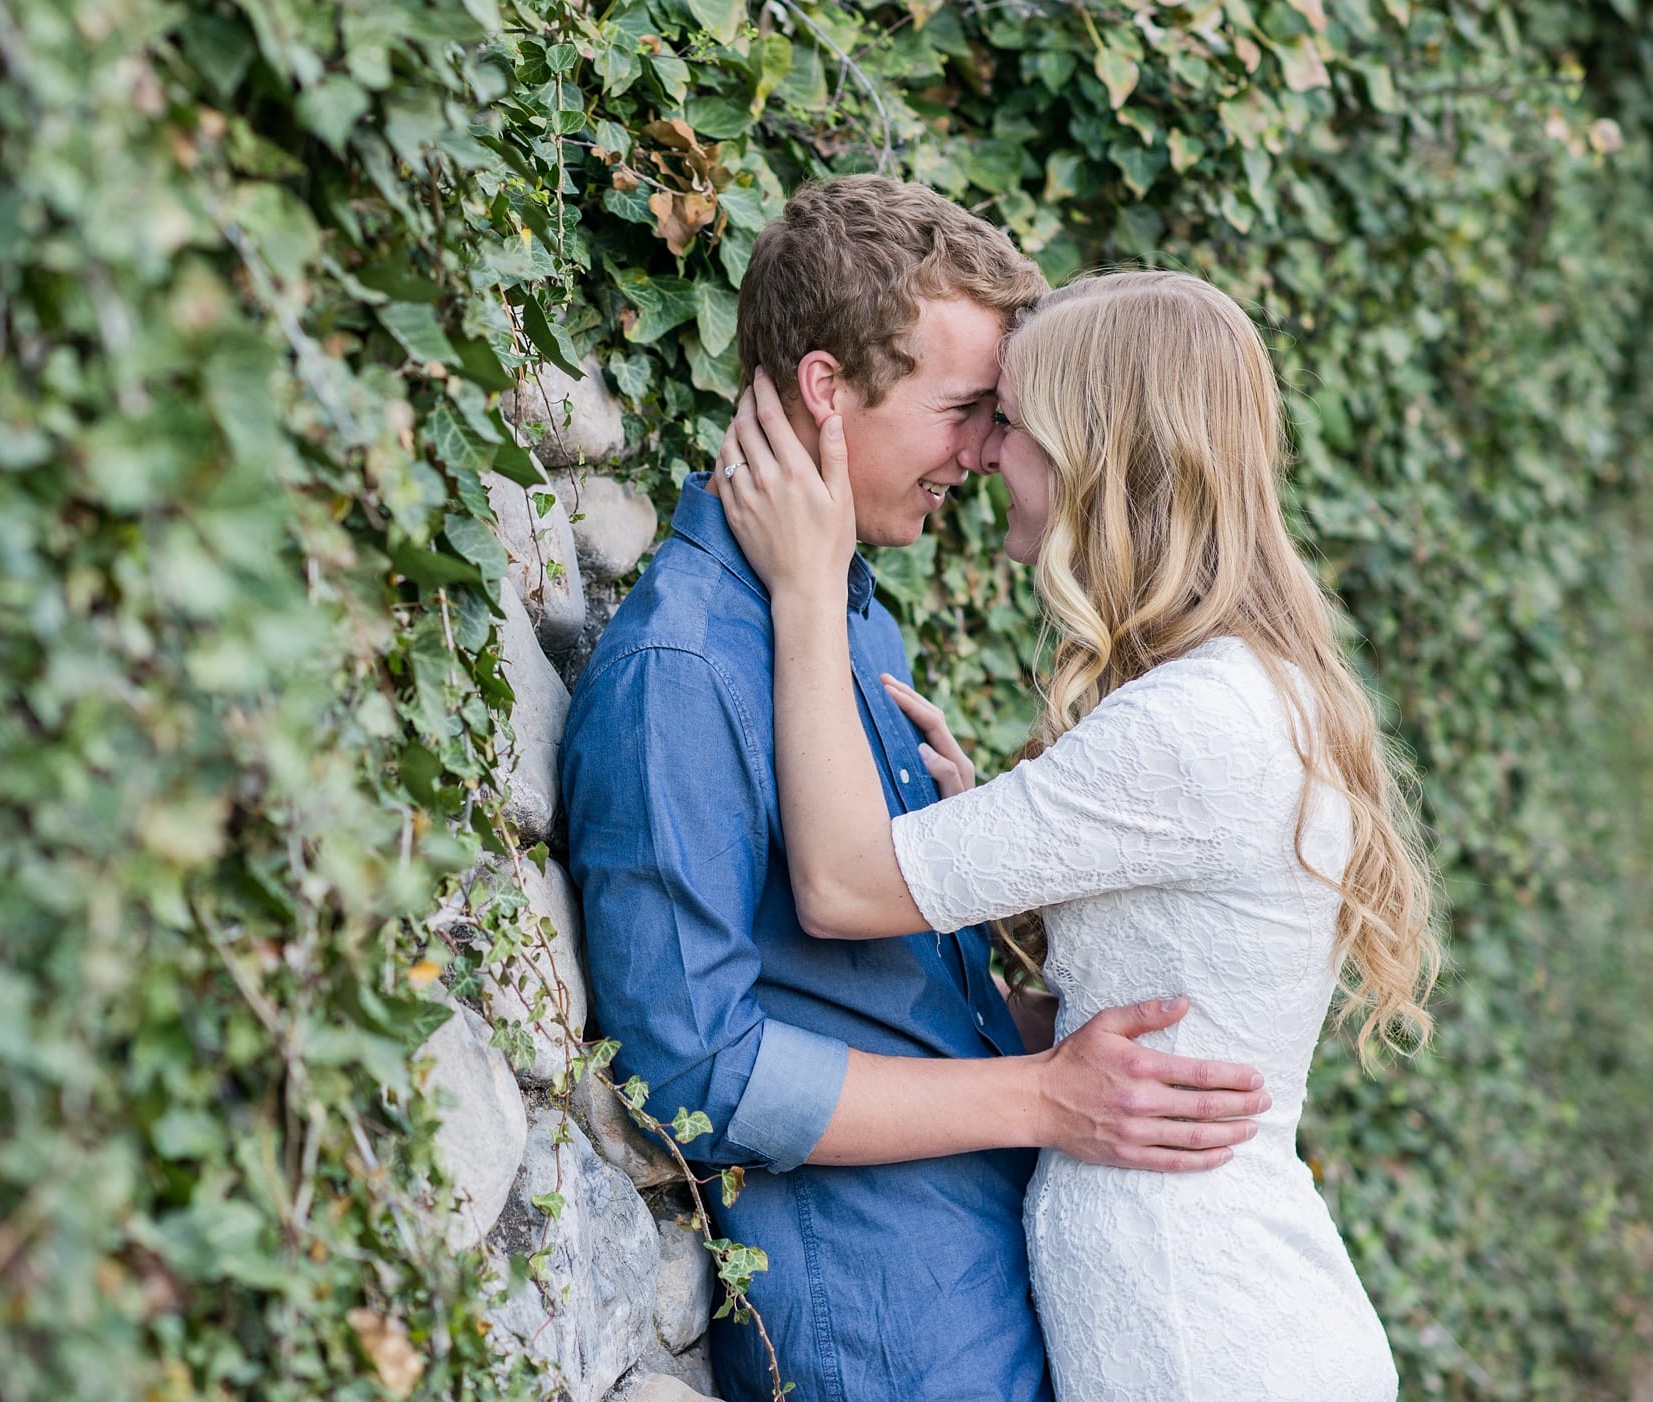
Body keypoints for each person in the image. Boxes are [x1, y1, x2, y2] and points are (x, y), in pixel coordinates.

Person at [559, 178, 1274, 1402]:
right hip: (882, 1323)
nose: (987, 452)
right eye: (965, 411)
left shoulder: (847, 618)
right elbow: (688, 1073)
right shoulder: (680, 667)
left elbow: (883, 985)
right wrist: (1042, 1094)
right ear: (828, 391)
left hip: (987, 1279)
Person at [712, 267, 1442, 1400]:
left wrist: (808, 589)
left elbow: (844, 887)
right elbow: (1152, 996)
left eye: (1015, 421)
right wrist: (988, 842)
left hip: (1210, 1345)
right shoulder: (1243, 691)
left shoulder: (1193, 723)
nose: (990, 450)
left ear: (1100, 452)